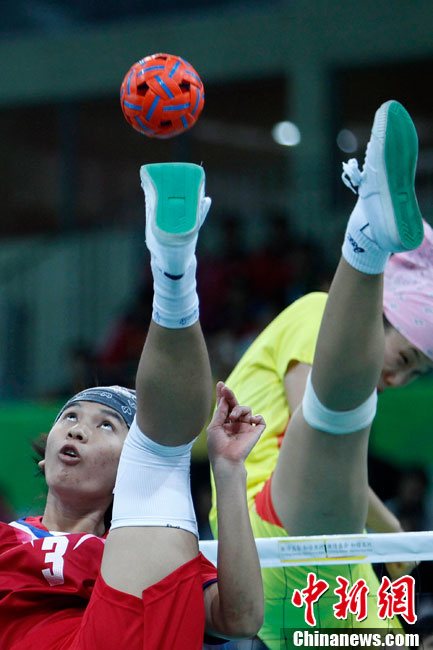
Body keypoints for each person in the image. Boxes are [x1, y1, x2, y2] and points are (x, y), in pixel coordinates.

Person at [0, 162, 265, 649]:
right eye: (70, 418)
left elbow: (241, 619)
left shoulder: (159, 551)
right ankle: (174, 273)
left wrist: (228, 472)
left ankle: (173, 273)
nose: (77, 430)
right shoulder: (5, 541)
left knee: (161, 463)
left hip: (122, 623)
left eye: (107, 425)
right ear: (44, 457)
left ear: (131, 469)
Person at [209, 100, 432, 648]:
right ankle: (366, 239)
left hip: (337, 562)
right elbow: (311, 429)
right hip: (268, 530)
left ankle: (369, 234)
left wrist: (390, 538)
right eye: (405, 360)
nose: (399, 381)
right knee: (334, 421)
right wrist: (394, 532)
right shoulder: (316, 312)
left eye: (416, 374)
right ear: (381, 316)